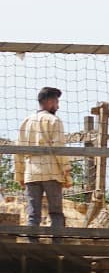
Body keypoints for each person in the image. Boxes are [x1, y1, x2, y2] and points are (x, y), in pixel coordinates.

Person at [15, 86, 71, 234]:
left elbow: (18, 152)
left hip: (31, 172)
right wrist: (66, 171)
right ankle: (57, 245)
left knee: (33, 214)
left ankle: (31, 245)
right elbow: (59, 149)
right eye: (56, 102)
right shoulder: (54, 121)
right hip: (51, 172)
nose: (57, 106)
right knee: (56, 213)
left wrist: (20, 175)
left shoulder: (25, 122)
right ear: (50, 102)